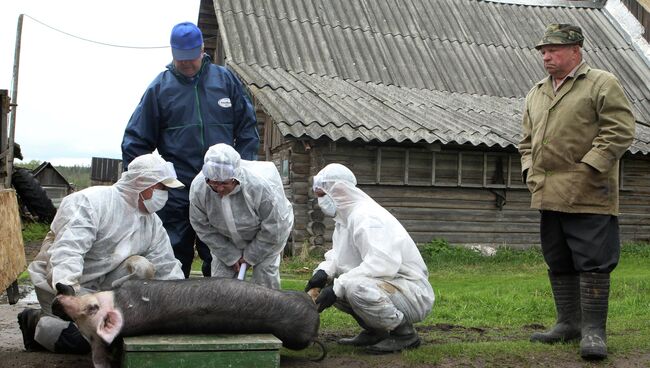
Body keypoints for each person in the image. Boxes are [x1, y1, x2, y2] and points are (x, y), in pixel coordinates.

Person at [519, 24, 635, 360]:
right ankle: (567, 323)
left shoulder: (601, 83)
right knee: (558, 258)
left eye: (553, 49)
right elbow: (525, 140)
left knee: (594, 261)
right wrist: (529, 169)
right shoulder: (536, 92)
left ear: (576, 50)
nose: (546, 56)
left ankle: (594, 332)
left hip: (589, 192)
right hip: (547, 192)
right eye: (543, 51)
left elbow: (620, 130)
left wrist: (588, 168)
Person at [121, 21, 259, 278]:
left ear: (202, 49)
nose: (186, 64)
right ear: (173, 53)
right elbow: (135, 141)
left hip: (218, 188)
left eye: (191, 58)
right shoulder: (160, 89)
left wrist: (241, 173)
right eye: (180, 58)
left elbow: (248, 131)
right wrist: (145, 183)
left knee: (220, 256)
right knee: (172, 255)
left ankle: (217, 314)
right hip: (177, 190)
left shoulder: (225, 80)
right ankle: (172, 315)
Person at [17, 153, 185, 354]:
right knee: (86, 342)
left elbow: (166, 265)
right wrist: (68, 294)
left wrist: (182, 303)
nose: (165, 194)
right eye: (162, 188)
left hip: (103, 289)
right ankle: (35, 322)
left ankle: (105, 318)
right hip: (65, 285)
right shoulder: (92, 202)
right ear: (142, 182)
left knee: (141, 267)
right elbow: (68, 250)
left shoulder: (151, 223)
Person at [304, 163, 434, 353]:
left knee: (354, 287)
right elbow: (340, 257)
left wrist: (339, 286)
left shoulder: (367, 217)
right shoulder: (345, 219)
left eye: (323, 195)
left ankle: (405, 335)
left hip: (411, 291)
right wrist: (324, 271)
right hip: (390, 284)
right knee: (336, 285)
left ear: (339, 190)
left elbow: (382, 264)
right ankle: (376, 332)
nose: (320, 202)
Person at [189, 144, 293, 289]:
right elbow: (201, 226)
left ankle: (264, 311)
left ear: (235, 177)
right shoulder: (199, 188)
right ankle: (226, 312)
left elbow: (274, 228)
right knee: (221, 285)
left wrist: (251, 256)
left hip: (268, 237)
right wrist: (230, 255)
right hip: (226, 239)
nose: (219, 188)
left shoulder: (259, 187)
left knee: (264, 281)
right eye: (214, 183)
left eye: (224, 183)